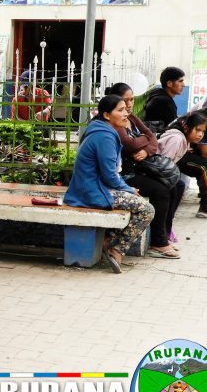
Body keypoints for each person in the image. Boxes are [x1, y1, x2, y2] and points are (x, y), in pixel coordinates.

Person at [64, 95, 154, 273]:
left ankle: (106, 242)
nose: (125, 113)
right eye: (120, 110)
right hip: (92, 191)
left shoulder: (102, 131)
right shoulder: (104, 136)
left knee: (137, 201)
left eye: (125, 109)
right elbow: (109, 176)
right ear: (106, 115)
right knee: (147, 210)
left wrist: (127, 190)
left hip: (93, 188)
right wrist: (128, 189)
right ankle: (115, 250)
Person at [105, 83, 182, 258]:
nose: (130, 104)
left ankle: (165, 234)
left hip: (140, 167)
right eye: (126, 101)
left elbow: (152, 137)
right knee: (161, 191)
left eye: (131, 99)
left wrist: (147, 149)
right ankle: (158, 242)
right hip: (126, 174)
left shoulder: (130, 118)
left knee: (176, 186)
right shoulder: (113, 123)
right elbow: (130, 144)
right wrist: (144, 139)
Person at [143, 67, 185, 134]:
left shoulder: (158, 96)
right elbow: (172, 128)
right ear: (169, 84)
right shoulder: (163, 102)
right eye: (180, 81)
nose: (183, 85)